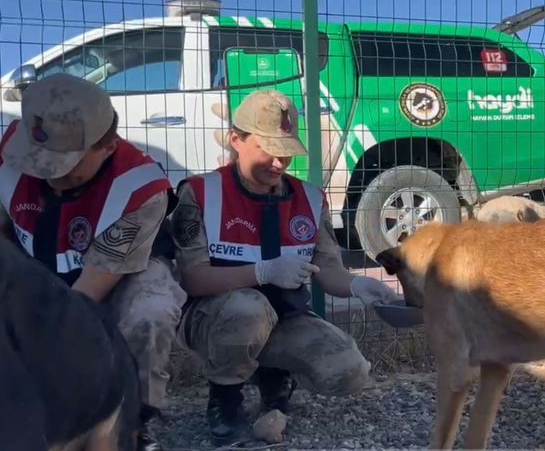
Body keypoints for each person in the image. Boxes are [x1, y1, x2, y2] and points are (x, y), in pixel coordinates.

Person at [169, 89, 398, 442]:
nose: (279, 163)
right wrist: (261, 272)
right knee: (249, 308)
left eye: (286, 152)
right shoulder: (201, 193)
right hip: (211, 320)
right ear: (236, 140)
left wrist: (358, 286)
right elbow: (193, 280)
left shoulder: (309, 198)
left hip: (283, 318)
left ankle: (273, 377)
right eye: (268, 150)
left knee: (349, 370)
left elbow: (329, 270)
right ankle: (225, 400)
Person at [0, 73, 187, 450]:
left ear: (107, 147)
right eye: (40, 162)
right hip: (36, 266)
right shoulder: (8, 152)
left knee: (150, 309)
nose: (50, 177)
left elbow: (86, 296)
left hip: (108, 279)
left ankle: (134, 420)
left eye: (66, 166)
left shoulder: (141, 190)